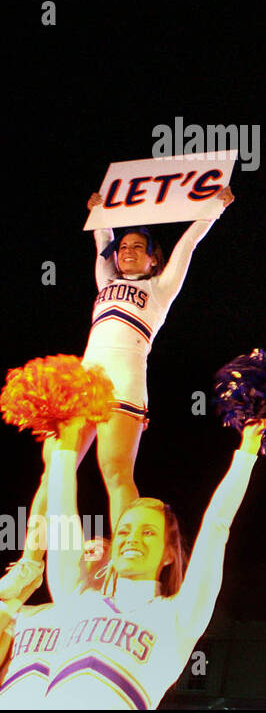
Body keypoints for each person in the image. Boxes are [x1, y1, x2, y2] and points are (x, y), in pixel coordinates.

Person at [0, 187, 235, 597]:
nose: (127, 251)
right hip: (81, 385)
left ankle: (125, 568)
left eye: (137, 247)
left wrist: (214, 207)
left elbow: (189, 244)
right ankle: (29, 564)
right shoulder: (105, 280)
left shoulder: (160, 288)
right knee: (56, 470)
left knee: (115, 472)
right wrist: (99, 213)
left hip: (124, 383)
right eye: (124, 246)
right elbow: (101, 242)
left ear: (153, 258)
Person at [39, 413, 264, 709]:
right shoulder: (76, 597)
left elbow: (216, 526)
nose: (132, 539)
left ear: (170, 554)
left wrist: (247, 450)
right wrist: (66, 447)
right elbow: (61, 518)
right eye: (124, 531)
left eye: (148, 532)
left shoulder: (180, 616)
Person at [0, 539, 110, 709]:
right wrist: (13, 599)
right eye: (85, 547)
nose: (89, 550)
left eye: (103, 549)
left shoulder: (115, 623)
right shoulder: (25, 614)